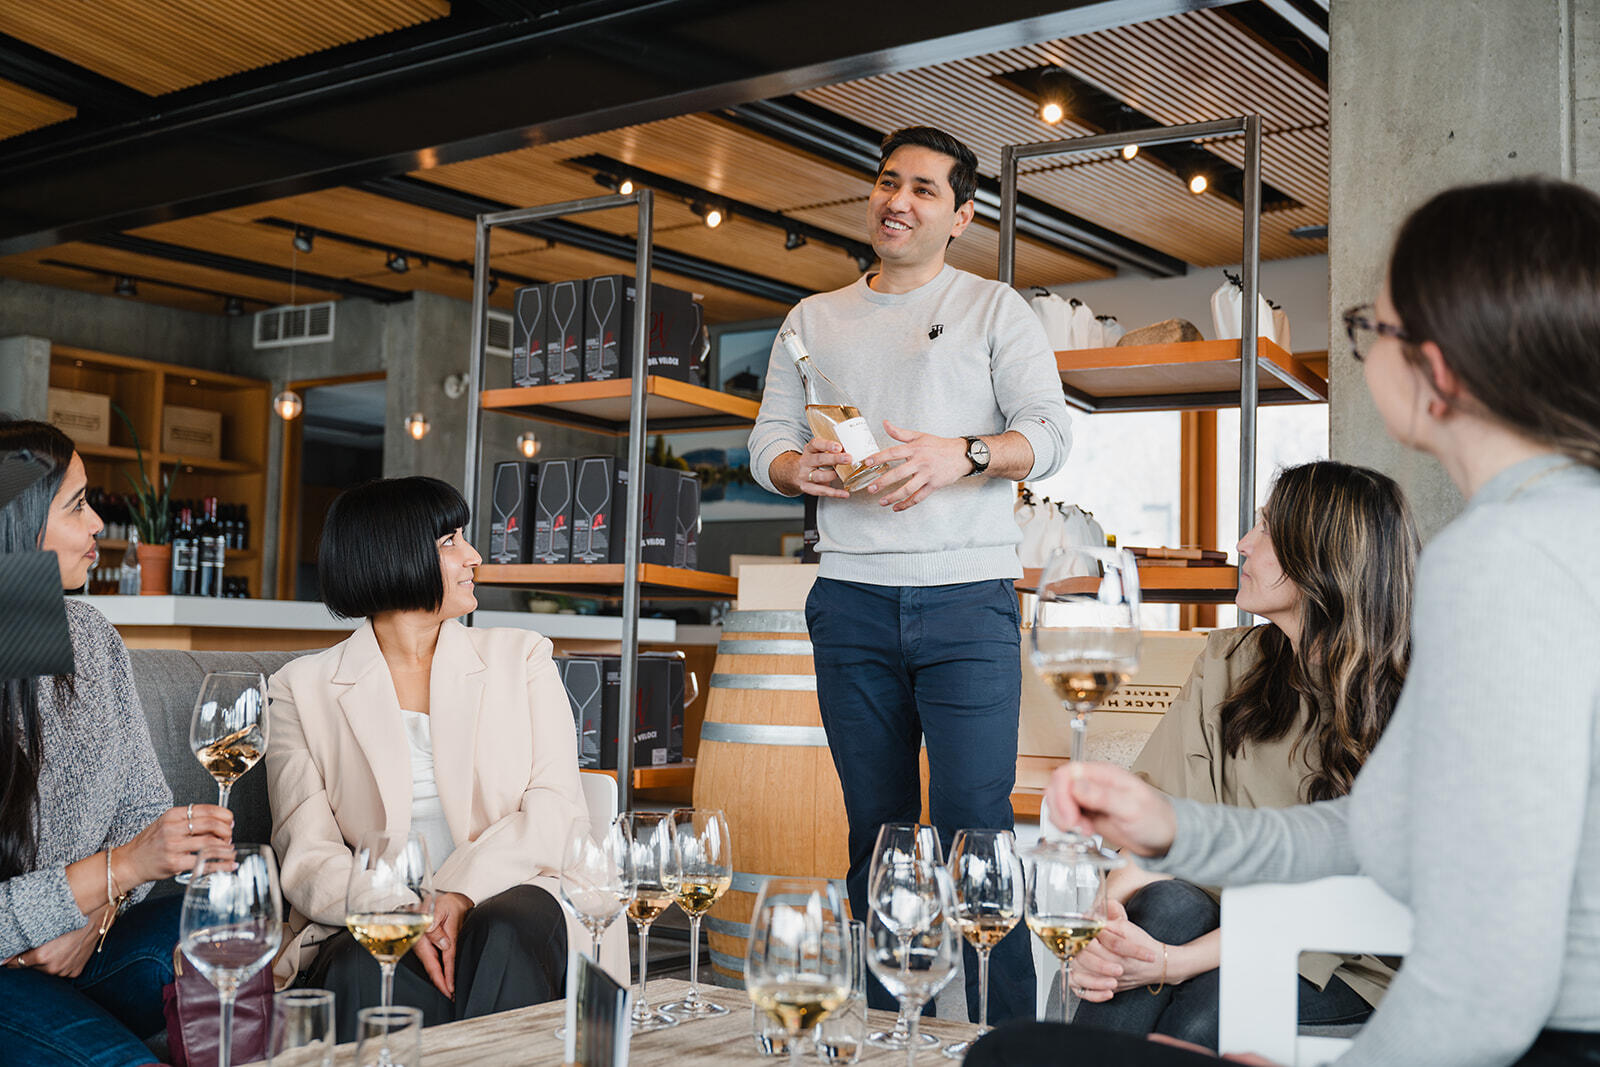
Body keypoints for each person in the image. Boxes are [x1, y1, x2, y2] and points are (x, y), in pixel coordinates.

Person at [971, 177, 1600, 1067]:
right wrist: (1176, 829)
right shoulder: (1547, 536)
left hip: (1554, 1045)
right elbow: (1375, 825)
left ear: (1442, 367)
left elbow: (1487, 984)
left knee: (1015, 1057)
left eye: (1370, 328)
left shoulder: (1505, 559)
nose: (1363, 345)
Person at [747, 125, 1071, 1021]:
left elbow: (1050, 434)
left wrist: (960, 452)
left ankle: (1005, 1038)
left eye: (926, 190)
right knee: (879, 837)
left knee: (978, 833)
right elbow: (767, 438)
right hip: (849, 599)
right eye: (890, 182)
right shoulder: (812, 319)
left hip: (969, 598)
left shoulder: (996, 308)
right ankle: (894, 1031)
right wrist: (793, 469)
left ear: (961, 215)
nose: (900, 200)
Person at [1068, 460, 1417, 1049]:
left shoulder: (1414, 694)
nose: (1241, 545)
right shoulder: (1231, 661)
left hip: (1344, 947)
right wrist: (1103, 922)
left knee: (1207, 1008)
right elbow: (1166, 818)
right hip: (1216, 913)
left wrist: (1171, 964)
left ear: (1322, 560)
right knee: (1164, 905)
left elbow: (1339, 898)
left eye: (1266, 530)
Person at [264, 476, 625, 1041]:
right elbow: (307, 855)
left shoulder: (522, 656)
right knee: (362, 966)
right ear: (393, 554)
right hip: (378, 908)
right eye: (450, 541)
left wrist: (456, 895)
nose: (474, 556)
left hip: (520, 887)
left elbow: (557, 811)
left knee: (503, 932)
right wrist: (404, 909)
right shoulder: (299, 689)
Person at [0, 418, 233, 1067]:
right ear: (16, 525)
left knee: (226, 923)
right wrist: (116, 870)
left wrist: (93, 914)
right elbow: (133, 852)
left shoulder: (93, 640)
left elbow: (142, 817)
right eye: (76, 505)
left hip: (85, 944)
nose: (99, 523)